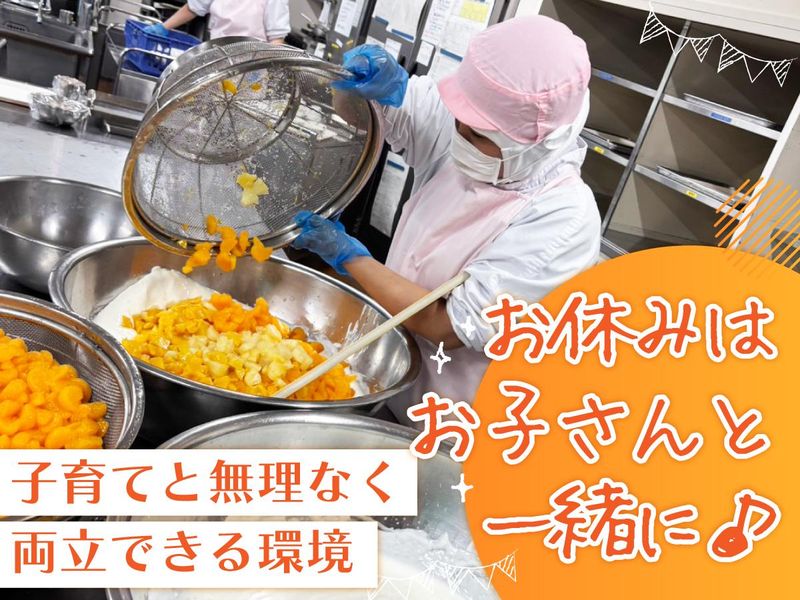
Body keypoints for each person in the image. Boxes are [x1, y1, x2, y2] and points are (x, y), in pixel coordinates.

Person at [293, 16, 601, 425]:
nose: (460, 138)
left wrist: (348, 256)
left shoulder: (563, 219)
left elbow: (447, 325)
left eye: (479, 137)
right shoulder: (472, 115)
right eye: (460, 124)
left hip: (449, 422)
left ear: (539, 142)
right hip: (384, 378)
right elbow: (359, 113)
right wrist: (353, 85)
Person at [145, 0, 290, 44]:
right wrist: (163, 27)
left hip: (251, 63)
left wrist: (265, 67)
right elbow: (194, 7)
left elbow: (277, 39)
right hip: (217, 55)